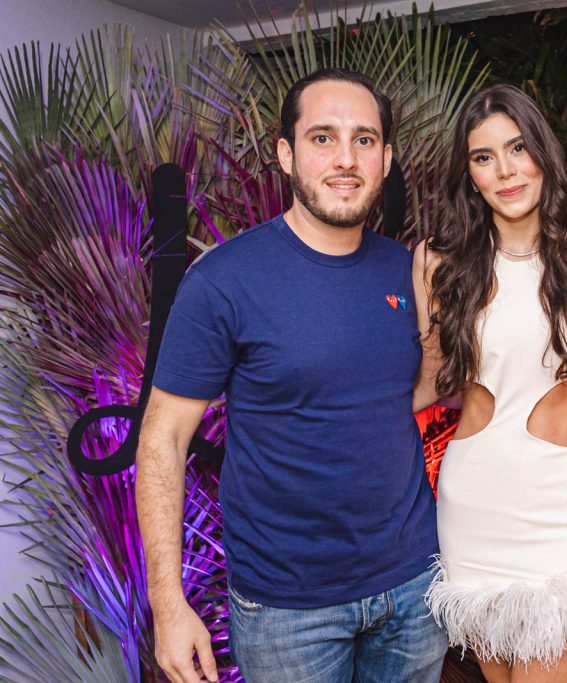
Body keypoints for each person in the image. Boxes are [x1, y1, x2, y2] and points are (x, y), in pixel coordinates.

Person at [136, 68, 447, 683]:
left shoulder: (407, 271)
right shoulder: (223, 281)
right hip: (288, 609)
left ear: (386, 160)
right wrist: (167, 604)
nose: (345, 159)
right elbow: (162, 439)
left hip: (414, 586)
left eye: (364, 140)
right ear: (286, 153)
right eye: (322, 137)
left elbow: (414, 393)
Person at [413, 84, 567, 683]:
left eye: (518, 148)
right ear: (470, 176)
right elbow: (431, 381)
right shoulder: (438, 261)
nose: (506, 170)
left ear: (543, 153)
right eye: (484, 157)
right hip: (475, 504)